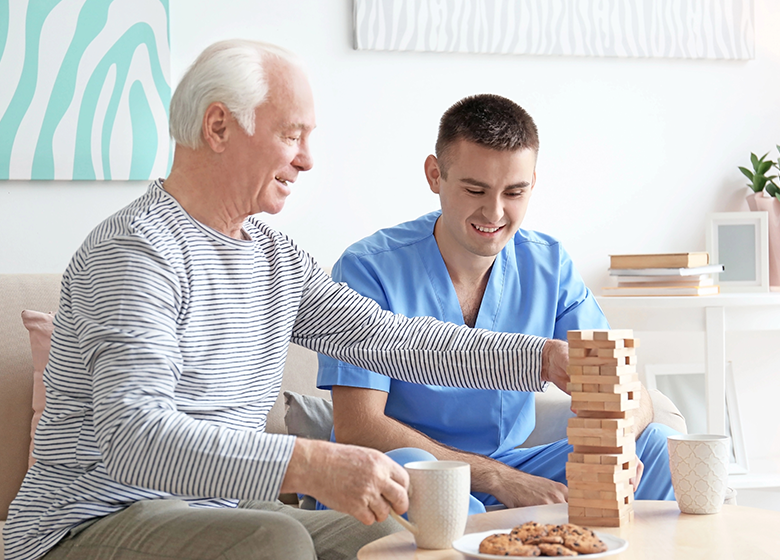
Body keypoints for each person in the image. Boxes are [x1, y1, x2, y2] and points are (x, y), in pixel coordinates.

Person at [2, 43, 574, 560]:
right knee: (272, 539)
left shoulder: (274, 257)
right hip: (86, 522)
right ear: (219, 127)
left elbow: (390, 339)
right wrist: (309, 463)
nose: (307, 159)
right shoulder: (136, 251)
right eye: (291, 134)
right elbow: (133, 437)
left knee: (398, 539)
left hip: (221, 510)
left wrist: (542, 360)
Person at [318, 94, 677, 515]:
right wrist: (501, 480)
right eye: (475, 189)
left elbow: (630, 389)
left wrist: (621, 439)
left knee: (656, 445)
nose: (495, 211)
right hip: (404, 469)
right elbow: (359, 427)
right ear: (435, 175)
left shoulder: (548, 264)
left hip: (510, 464)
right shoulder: (367, 268)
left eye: (515, 192)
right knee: (431, 487)